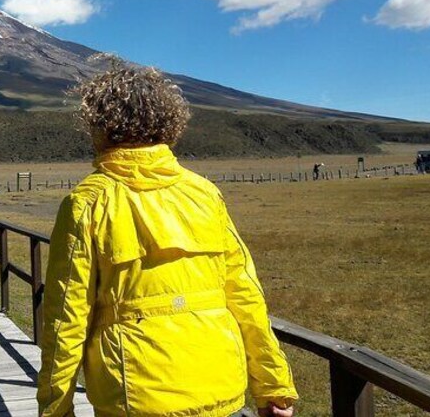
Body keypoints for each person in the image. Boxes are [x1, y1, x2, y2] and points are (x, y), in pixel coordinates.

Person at [37, 65, 297, 417]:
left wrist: (55, 409)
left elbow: (65, 319)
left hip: (136, 397)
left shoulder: (87, 203)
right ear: (170, 123)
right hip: (221, 386)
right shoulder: (204, 193)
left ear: (98, 125)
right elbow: (245, 294)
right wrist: (273, 385)